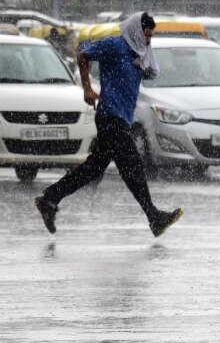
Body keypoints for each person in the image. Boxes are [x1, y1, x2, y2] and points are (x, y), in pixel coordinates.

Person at [34, 12, 183, 237]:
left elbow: (153, 72)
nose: (149, 39)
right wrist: (87, 88)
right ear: (134, 31)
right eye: (146, 34)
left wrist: (146, 45)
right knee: (132, 164)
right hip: (109, 116)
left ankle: (49, 199)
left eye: (151, 35)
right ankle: (154, 217)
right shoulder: (114, 46)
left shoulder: (139, 54)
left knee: (94, 168)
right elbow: (83, 55)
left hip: (121, 118)